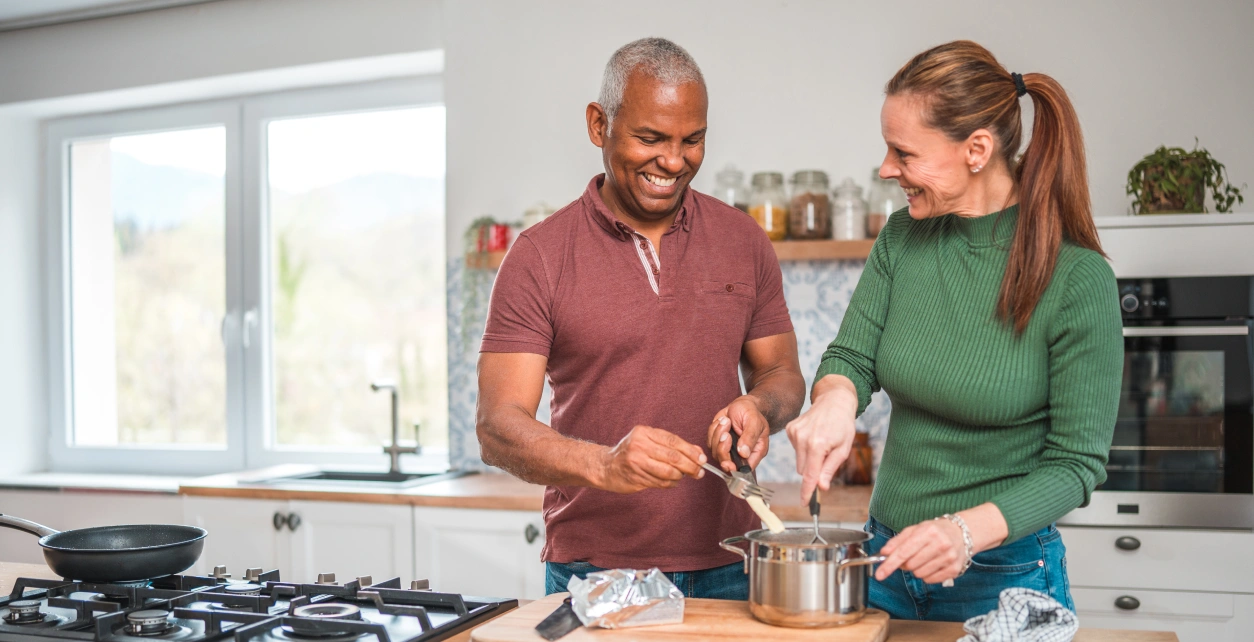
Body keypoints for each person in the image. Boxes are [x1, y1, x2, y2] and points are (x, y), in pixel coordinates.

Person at [785, 40, 1122, 621]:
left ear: (977, 150)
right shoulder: (902, 237)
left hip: (1003, 572)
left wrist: (965, 531)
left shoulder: (1077, 278)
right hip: (887, 558)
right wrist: (835, 402)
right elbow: (852, 357)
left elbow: (1076, 465)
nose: (887, 169)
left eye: (903, 153)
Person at [476, 37, 805, 600]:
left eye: (692, 140)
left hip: (731, 562)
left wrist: (759, 408)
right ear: (598, 124)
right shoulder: (539, 256)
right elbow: (498, 427)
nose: (674, 161)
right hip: (595, 571)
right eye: (650, 138)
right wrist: (604, 465)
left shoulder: (744, 240)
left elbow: (784, 378)